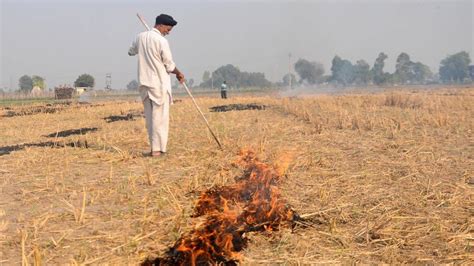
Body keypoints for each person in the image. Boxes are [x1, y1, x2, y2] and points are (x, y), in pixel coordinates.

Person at [128, 14, 185, 157]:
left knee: (151, 118)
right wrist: (179, 73)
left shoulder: (140, 37)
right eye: (168, 28)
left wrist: (144, 47)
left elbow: (130, 52)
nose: (168, 32)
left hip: (145, 85)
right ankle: (157, 151)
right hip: (159, 85)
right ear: (160, 25)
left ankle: (155, 148)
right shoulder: (161, 41)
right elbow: (169, 65)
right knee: (159, 118)